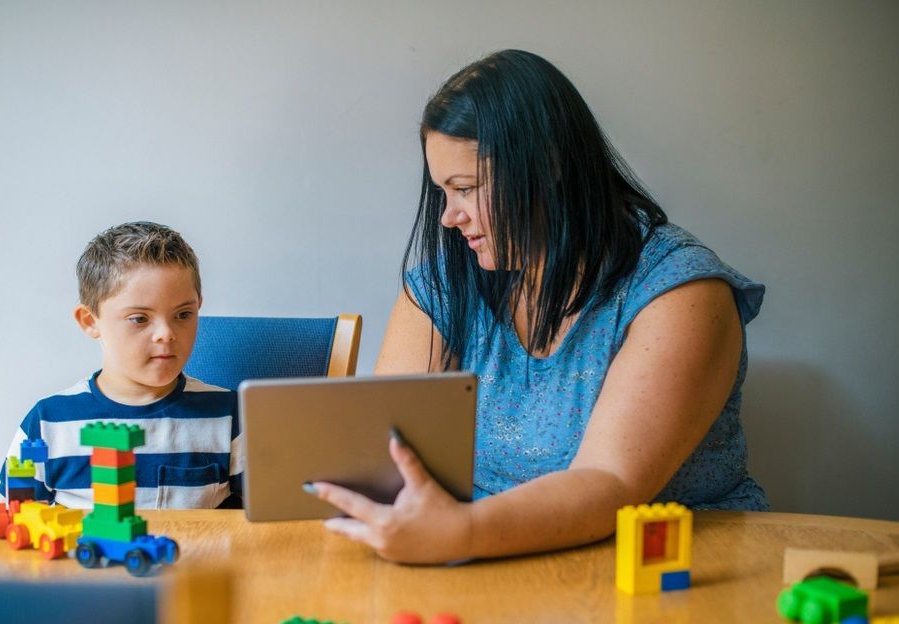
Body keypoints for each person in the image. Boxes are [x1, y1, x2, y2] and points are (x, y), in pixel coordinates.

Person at [305, 50, 769, 564]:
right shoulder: (446, 282)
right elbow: (387, 455)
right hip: (486, 562)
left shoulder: (681, 292)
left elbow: (611, 483)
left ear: (548, 166)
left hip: (670, 566)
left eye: (464, 189)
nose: (448, 218)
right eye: (443, 192)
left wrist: (462, 532)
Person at [0, 222, 241, 509]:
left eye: (183, 314)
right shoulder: (48, 423)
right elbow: (17, 523)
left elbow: (273, 519)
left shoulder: (232, 415)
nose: (166, 333)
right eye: (139, 318)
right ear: (90, 321)